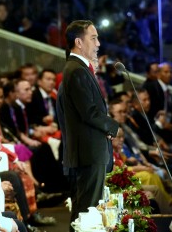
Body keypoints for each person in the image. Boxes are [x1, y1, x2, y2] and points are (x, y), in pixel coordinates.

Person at [57, 20, 119, 231]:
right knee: (87, 212)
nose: (98, 43)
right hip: (88, 153)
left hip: (88, 151)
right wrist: (112, 126)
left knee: (85, 212)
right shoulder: (76, 70)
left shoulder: (78, 68)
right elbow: (90, 112)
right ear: (78, 42)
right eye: (93, 38)